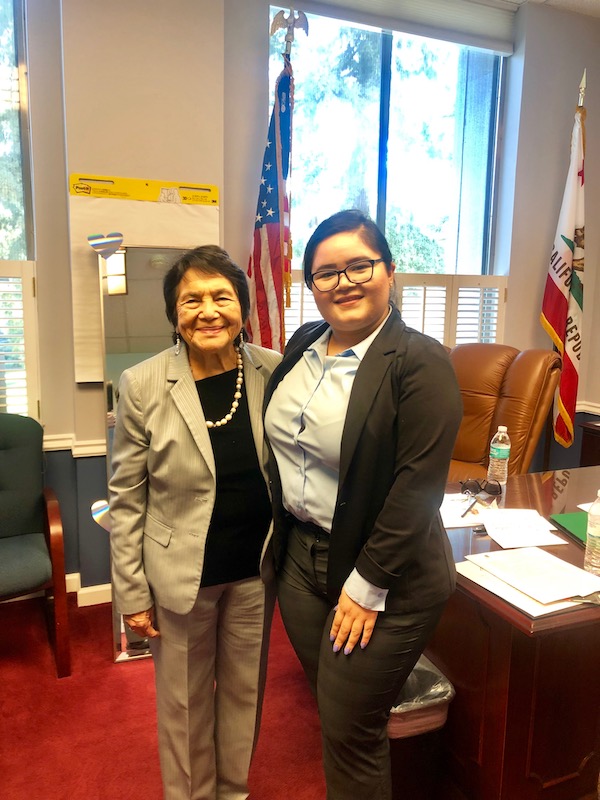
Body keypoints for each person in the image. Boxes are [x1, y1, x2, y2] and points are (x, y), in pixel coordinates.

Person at [264, 209, 463, 799]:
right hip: (301, 558)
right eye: (327, 273)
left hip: (386, 576)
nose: (344, 282)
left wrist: (367, 584)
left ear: (390, 272)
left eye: (359, 265)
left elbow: (418, 486)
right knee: (335, 710)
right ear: (311, 286)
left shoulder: (420, 362)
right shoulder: (304, 342)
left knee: (352, 729)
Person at [109, 245, 281, 800]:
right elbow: (127, 497)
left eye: (221, 297)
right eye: (192, 300)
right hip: (180, 575)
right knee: (183, 704)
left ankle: (233, 792)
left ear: (242, 308)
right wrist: (132, 593)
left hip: (255, 571)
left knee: (242, 697)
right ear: (174, 315)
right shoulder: (141, 384)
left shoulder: (270, 370)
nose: (208, 311)